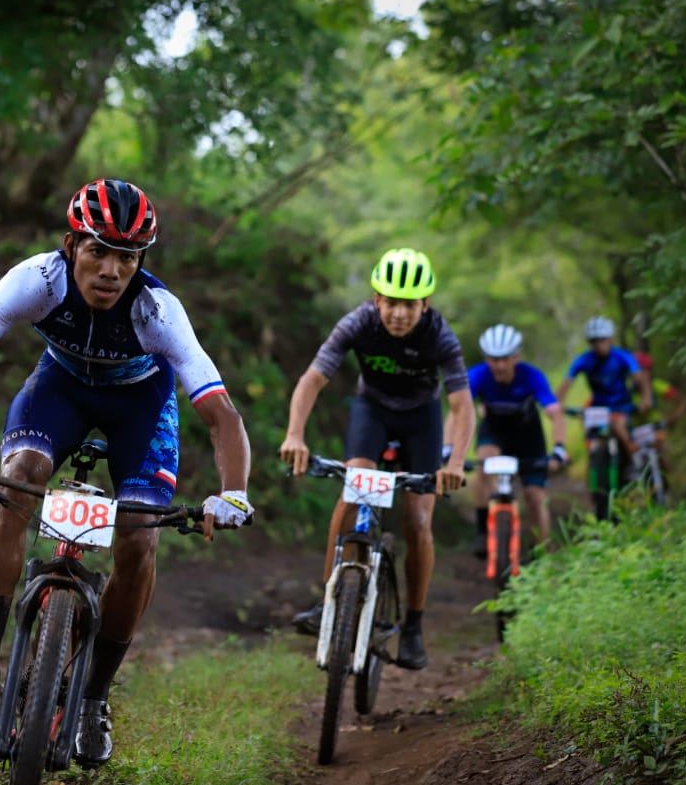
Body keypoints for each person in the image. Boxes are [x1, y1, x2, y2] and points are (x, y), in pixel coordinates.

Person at [0, 178, 254, 769]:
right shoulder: (36, 281)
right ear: (71, 246)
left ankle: (93, 699)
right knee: (16, 484)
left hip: (139, 409)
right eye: (99, 249)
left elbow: (221, 416)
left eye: (127, 256)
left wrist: (234, 493)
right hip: (60, 391)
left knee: (140, 537)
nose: (111, 269)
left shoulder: (157, 311)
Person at [279, 248, 474, 670]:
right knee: (354, 486)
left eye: (410, 304)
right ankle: (329, 598)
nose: (399, 314)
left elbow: (461, 405)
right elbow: (313, 379)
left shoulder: (440, 336)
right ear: (376, 300)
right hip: (374, 411)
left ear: (425, 305)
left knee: (418, 521)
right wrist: (295, 435)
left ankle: (415, 626)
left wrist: (455, 462)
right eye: (391, 302)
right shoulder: (357, 324)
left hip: (422, 418)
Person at [449, 324, 568, 557]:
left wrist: (559, 449)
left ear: (517, 357)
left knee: (535, 497)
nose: (500, 365)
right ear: (486, 358)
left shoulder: (532, 376)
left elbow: (555, 413)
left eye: (506, 359)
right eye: (494, 359)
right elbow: (457, 412)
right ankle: (483, 530)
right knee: (484, 464)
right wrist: (448, 449)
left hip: (529, 438)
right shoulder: (477, 375)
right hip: (495, 433)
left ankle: (539, 555)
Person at [554, 316, 652, 461]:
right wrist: (558, 404)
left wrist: (646, 398)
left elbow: (639, 378)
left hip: (621, 404)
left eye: (602, 340)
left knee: (618, 426)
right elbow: (567, 383)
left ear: (610, 339)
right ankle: (593, 472)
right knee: (591, 438)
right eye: (594, 341)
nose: (598, 345)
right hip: (598, 406)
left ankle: (634, 458)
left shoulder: (622, 356)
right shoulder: (584, 360)